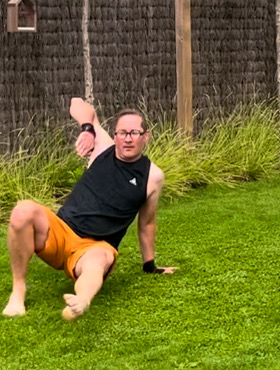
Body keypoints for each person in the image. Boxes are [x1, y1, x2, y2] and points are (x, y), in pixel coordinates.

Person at [3, 98, 173, 320]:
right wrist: (87, 129)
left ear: (145, 136)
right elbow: (77, 103)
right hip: (61, 231)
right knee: (22, 210)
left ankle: (81, 301)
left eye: (134, 133)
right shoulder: (102, 147)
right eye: (122, 133)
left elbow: (147, 222)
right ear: (115, 135)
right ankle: (18, 293)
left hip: (95, 247)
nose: (128, 139)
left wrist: (150, 265)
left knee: (97, 262)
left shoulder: (153, 176)